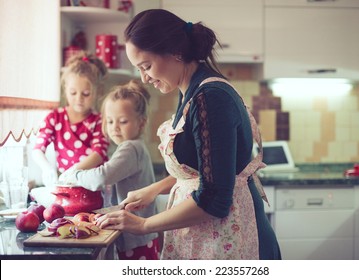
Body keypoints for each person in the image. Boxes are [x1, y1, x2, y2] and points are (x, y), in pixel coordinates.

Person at [96, 9, 281, 260]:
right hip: (212, 239)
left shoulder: (210, 98)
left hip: (232, 242)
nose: (144, 78)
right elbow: (206, 167)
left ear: (176, 53)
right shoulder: (191, 91)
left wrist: (142, 225)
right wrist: (154, 189)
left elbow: (214, 199)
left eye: (147, 66)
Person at [59, 80, 159, 260]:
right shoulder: (134, 147)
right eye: (110, 121)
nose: (115, 127)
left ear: (141, 123)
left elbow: (102, 176)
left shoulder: (130, 148)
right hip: (138, 236)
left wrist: (74, 175)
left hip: (136, 237)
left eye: (123, 121)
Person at [32, 52, 109, 188]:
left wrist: (74, 171)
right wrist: (47, 168)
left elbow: (98, 154)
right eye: (73, 93)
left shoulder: (99, 121)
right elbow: (38, 149)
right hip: (66, 183)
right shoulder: (55, 117)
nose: (79, 99)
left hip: (93, 184)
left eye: (86, 94)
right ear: (65, 89)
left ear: (98, 91)